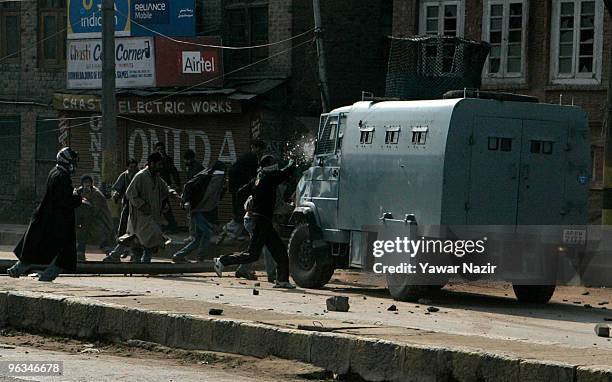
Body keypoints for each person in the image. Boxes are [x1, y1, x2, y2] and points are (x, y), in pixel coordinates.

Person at [215, 155, 296, 289]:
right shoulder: (269, 178)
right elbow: (286, 172)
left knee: (280, 251)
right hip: (261, 221)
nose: (276, 164)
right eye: (274, 162)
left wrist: (255, 196)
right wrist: (293, 162)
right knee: (252, 255)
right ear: (269, 165)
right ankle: (222, 261)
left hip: (263, 221)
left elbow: (240, 192)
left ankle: (282, 280)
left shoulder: (258, 178)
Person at [8, 148, 82, 282]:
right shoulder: (61, 176)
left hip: (49, 220)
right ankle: (46, 277)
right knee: (62, 254)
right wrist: (78, 197)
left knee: (38, 249)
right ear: (67, 162)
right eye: (73, 162)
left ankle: (17, 269)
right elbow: (65, 200)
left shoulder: (55, 172)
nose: (74, 165)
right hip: (57, 223)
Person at [123, 152, 176, 263]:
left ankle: (141, 265)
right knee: (153, 235)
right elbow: (130, 193)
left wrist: (173, 193)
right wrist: (142, 205)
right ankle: (143, 262)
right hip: (141, 216)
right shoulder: (141, 176)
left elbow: (165, 188)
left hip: (151, 216)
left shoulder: (156, 177)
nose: (160, 167)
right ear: (152, 163)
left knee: (142, 242)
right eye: (159, 164)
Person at [172, 161, 226, 263]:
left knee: (198, 238)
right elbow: (188, 185)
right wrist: (187, 201)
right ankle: (201, 257)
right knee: (207, 232)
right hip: (197, 209)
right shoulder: (204, 176)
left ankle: (179, 256)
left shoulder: (219, 182)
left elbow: (214, 200)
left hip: (204, 210)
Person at [226, 140, 266, 239]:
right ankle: (230, 230)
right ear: (255, 148)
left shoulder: (248, 158)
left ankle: (237, 232)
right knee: (242, 210)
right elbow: (252, 176)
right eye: (260, 149)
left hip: (239, 189)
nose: (261, 152)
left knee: (242, 210)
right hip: (240, 189)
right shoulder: (251, 159)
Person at [103, 158, 139, 263]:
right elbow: (116, 189)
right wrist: (116, 195)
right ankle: (120, 254)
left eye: (134, 167)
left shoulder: (140, 176)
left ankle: (129, 254)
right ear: (127, 167)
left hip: (138, 208)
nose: (133, 169)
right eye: (131, 167)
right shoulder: (124, 176)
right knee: (124, 231)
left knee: (136, 232)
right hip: (127, 207)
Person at [75, 175, 115, 261]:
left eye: (88, 182)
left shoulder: (96, 193)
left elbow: (95, 210)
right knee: (84, 234)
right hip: (90, 220)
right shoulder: (80, 191)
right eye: (85, 182)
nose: (87, 184)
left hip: (101, 221)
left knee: (101, 237)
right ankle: (80, 253)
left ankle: (113, 255)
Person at [154, 142, 181, 232]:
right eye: (158, 150)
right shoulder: (152, 160)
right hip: (154, 187)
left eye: (161, 149)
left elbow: (174, 172)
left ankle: (172, 226)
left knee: (165, 206)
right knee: (159, 207)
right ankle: (169, 225)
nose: (160, 151)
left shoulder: (167, 160)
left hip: (164, 187)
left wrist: (177, 184)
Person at [183, 149, 204, 243]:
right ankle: (195, 235)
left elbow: (191, 184)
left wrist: (187, 198)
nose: (185, 162)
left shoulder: (195, 168)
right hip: (197, 196)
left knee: (192, 216)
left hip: (194, 197)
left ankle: (193, 236)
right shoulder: (196, 166)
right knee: (193, 216)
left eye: (186, 160)